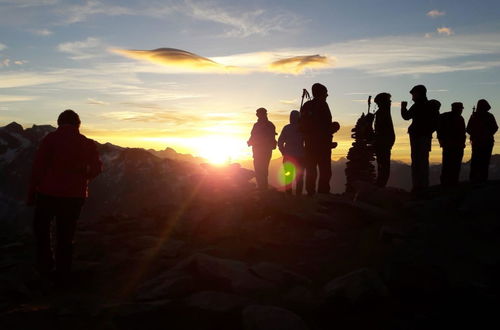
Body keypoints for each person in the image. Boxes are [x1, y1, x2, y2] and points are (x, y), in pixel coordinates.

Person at [27, 109, 102, 287]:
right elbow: (96, 169)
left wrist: (31, 194)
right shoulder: (87, 143)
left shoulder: (50, 139)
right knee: (65, 234)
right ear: (78, 124)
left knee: (42, 229)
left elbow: (37, 168)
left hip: (47, 193)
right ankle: (63, 274)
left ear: (60, 123)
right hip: (74, 196)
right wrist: (83, 177)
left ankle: (45, 266)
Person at [401, 85, 440, 194]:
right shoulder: (429, 106)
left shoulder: (418, 106)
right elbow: (436, 123)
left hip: (417, 136)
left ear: (418, 93)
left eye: (413, 94)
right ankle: (423, 186)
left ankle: (418, 187)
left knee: (417, 161)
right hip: (425, 137)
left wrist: (403, 107)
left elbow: (406, 116)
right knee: (422, 161)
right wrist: (428, 132)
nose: (412, 97)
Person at [300, 83, 333, 195]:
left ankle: (311, 193)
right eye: (325, 92)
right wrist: (334, 127)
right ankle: (323, 194)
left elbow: (302, 125)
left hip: (309, 144)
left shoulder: (306, 106)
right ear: (321, 93)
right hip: (323, 145)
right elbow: (325, 126)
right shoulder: (323, 105)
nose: (327, 95)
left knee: (311, 170)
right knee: (325, 171)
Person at [466, 99, 498, 182]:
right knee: (485, 160)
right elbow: (495, 127)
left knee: (476, 160)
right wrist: (488, 134)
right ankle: (483, 178)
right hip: (487, 142)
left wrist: (475, 134)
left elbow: (468, 129)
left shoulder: (474, 116)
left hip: (478, 142)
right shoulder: (489, 116)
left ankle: (473, 179)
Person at [437, 102, 466, 186]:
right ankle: (453, 182)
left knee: (447, 164)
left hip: (449, 145)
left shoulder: (444, 117)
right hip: (456, 146)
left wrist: (441, 141)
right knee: (455, 165)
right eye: (460, 109)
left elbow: (439, 129)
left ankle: (445, 183)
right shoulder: (460, 118)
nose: (461, 110)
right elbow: (463, 132)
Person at [247, 107, 277, 190]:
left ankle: (261, 187)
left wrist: (250, 142)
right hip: (267, 151)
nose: (257, 115)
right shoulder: (270, 125)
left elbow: (253, 136)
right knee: (264, 168)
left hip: (258, 151)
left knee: (258, 168)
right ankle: (263, 187)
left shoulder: (257, 125)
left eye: (258, 113)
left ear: (259, 115)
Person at [278, 110, 305, 195]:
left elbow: (280, 141)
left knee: (288, 176)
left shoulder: (286, 128)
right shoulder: (302, 128)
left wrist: (283, 151)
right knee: (299, 176)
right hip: (300, 156)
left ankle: (288, 194)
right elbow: (307, 141)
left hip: (288, 156)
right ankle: (298, 195)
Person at [373, 93, 395, 187]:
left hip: (383, 142)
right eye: (388, 100)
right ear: (383, 102)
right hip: (384, 142)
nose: (390, 102)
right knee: (384, 165)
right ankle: (380, 186)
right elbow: (381, 129)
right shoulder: (383, 112)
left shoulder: (382, 112)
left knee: (382, 165)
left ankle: (380, 185)